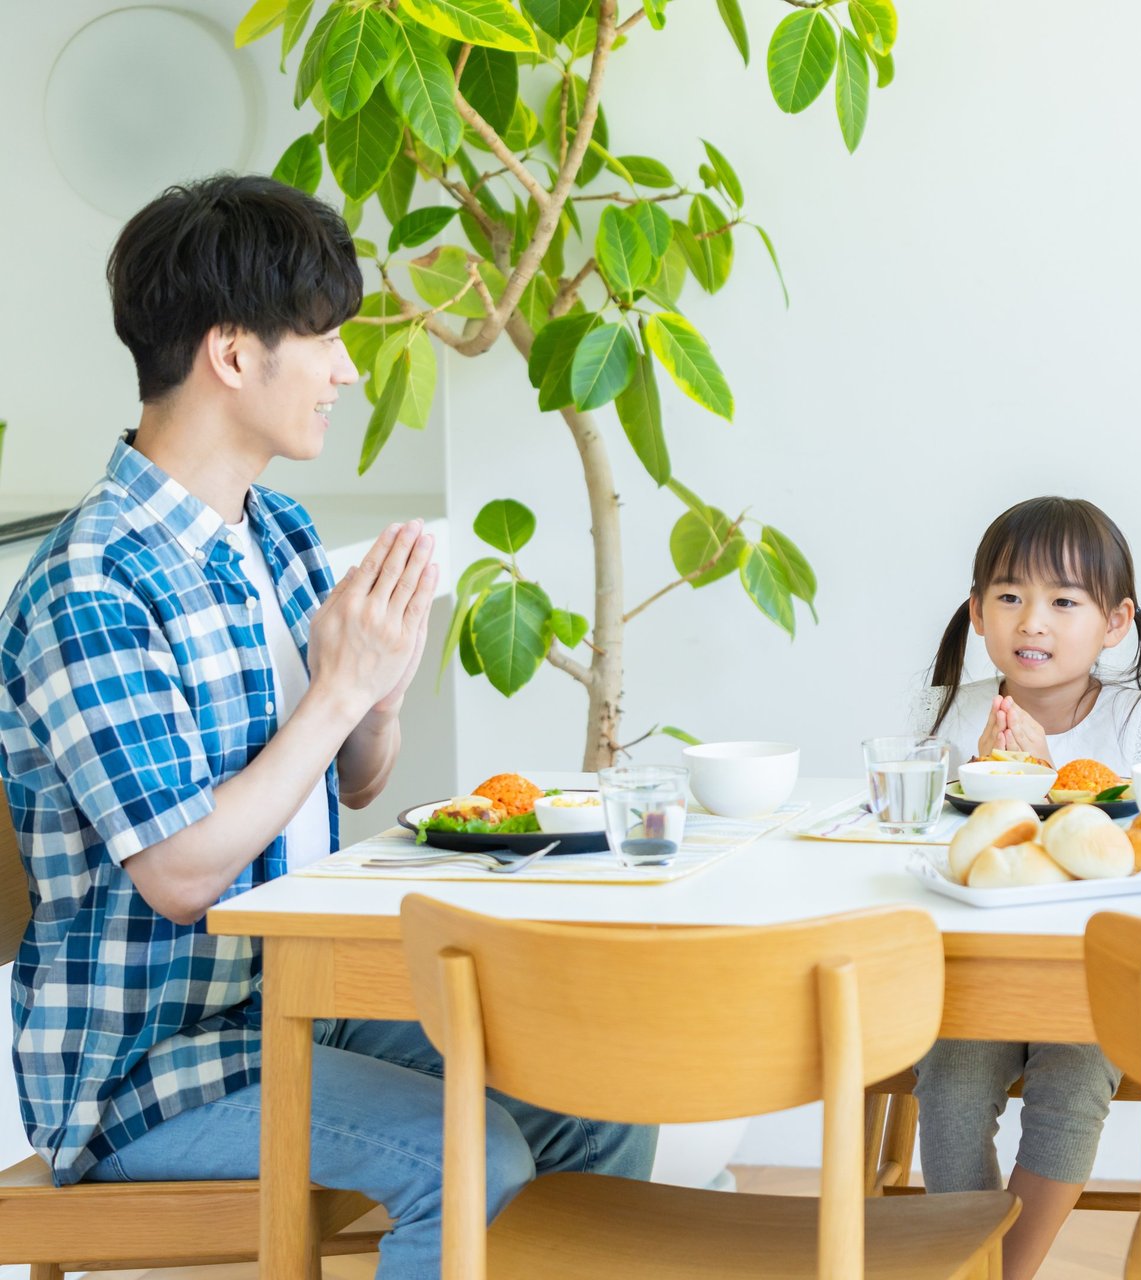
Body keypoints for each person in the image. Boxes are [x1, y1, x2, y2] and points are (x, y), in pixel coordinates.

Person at [0, 174, 653, 1278]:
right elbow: (180, 871)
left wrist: (380, 693)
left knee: (603, 1094)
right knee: (473, 1157)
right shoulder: (92, 584)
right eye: (327, 338)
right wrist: (338, 691)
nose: (349, 368)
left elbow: (349, 781)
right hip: (150, 1068)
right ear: (234, 355)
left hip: (301, 1001)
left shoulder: (279, 530)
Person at [908, 495, 1141, 1280]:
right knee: (951, 1081)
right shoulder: (952, 716)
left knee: (1072, 1084)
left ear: (1115, 621)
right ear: (976, 611)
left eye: (1063, 601)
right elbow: (925, 841)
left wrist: (1052, 779)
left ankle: (1005, 1271)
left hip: (1092, 978)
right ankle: (965, 1262)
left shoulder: (1138, 720)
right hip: (975, 971)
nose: (1032, 620)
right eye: (1009, 597)